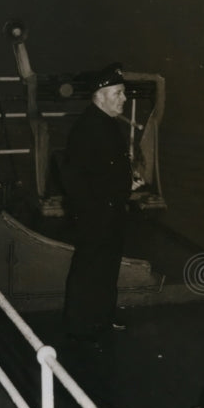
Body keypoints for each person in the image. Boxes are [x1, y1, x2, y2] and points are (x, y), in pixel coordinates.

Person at [60, 62, 132, 342]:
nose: (124, 99)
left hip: (111, 209)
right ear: (100, 96)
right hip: (95, 212)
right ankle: (79, 324)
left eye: (123, 93)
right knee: (89, 266)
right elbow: (73, 176)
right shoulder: (88, 128)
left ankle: (102, 316)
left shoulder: (107, 124)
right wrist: (92, 210)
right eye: (118, 93)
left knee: (107, 265)